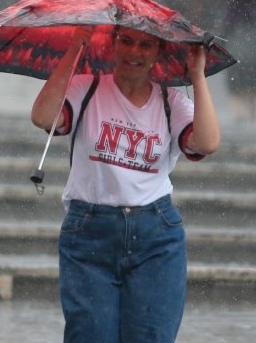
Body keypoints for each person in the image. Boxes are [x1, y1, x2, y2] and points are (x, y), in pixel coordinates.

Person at [30, 25, 220, 343]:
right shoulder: (85, 88)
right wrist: (77, 46)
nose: (135, 52)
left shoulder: (171, 102)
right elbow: (43, 117)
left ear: (159, 52)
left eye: (146, 45)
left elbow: (207, 142)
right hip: (89, 232)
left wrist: (198, 76)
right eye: (127, 41)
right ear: (113, 44)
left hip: (156, 237)